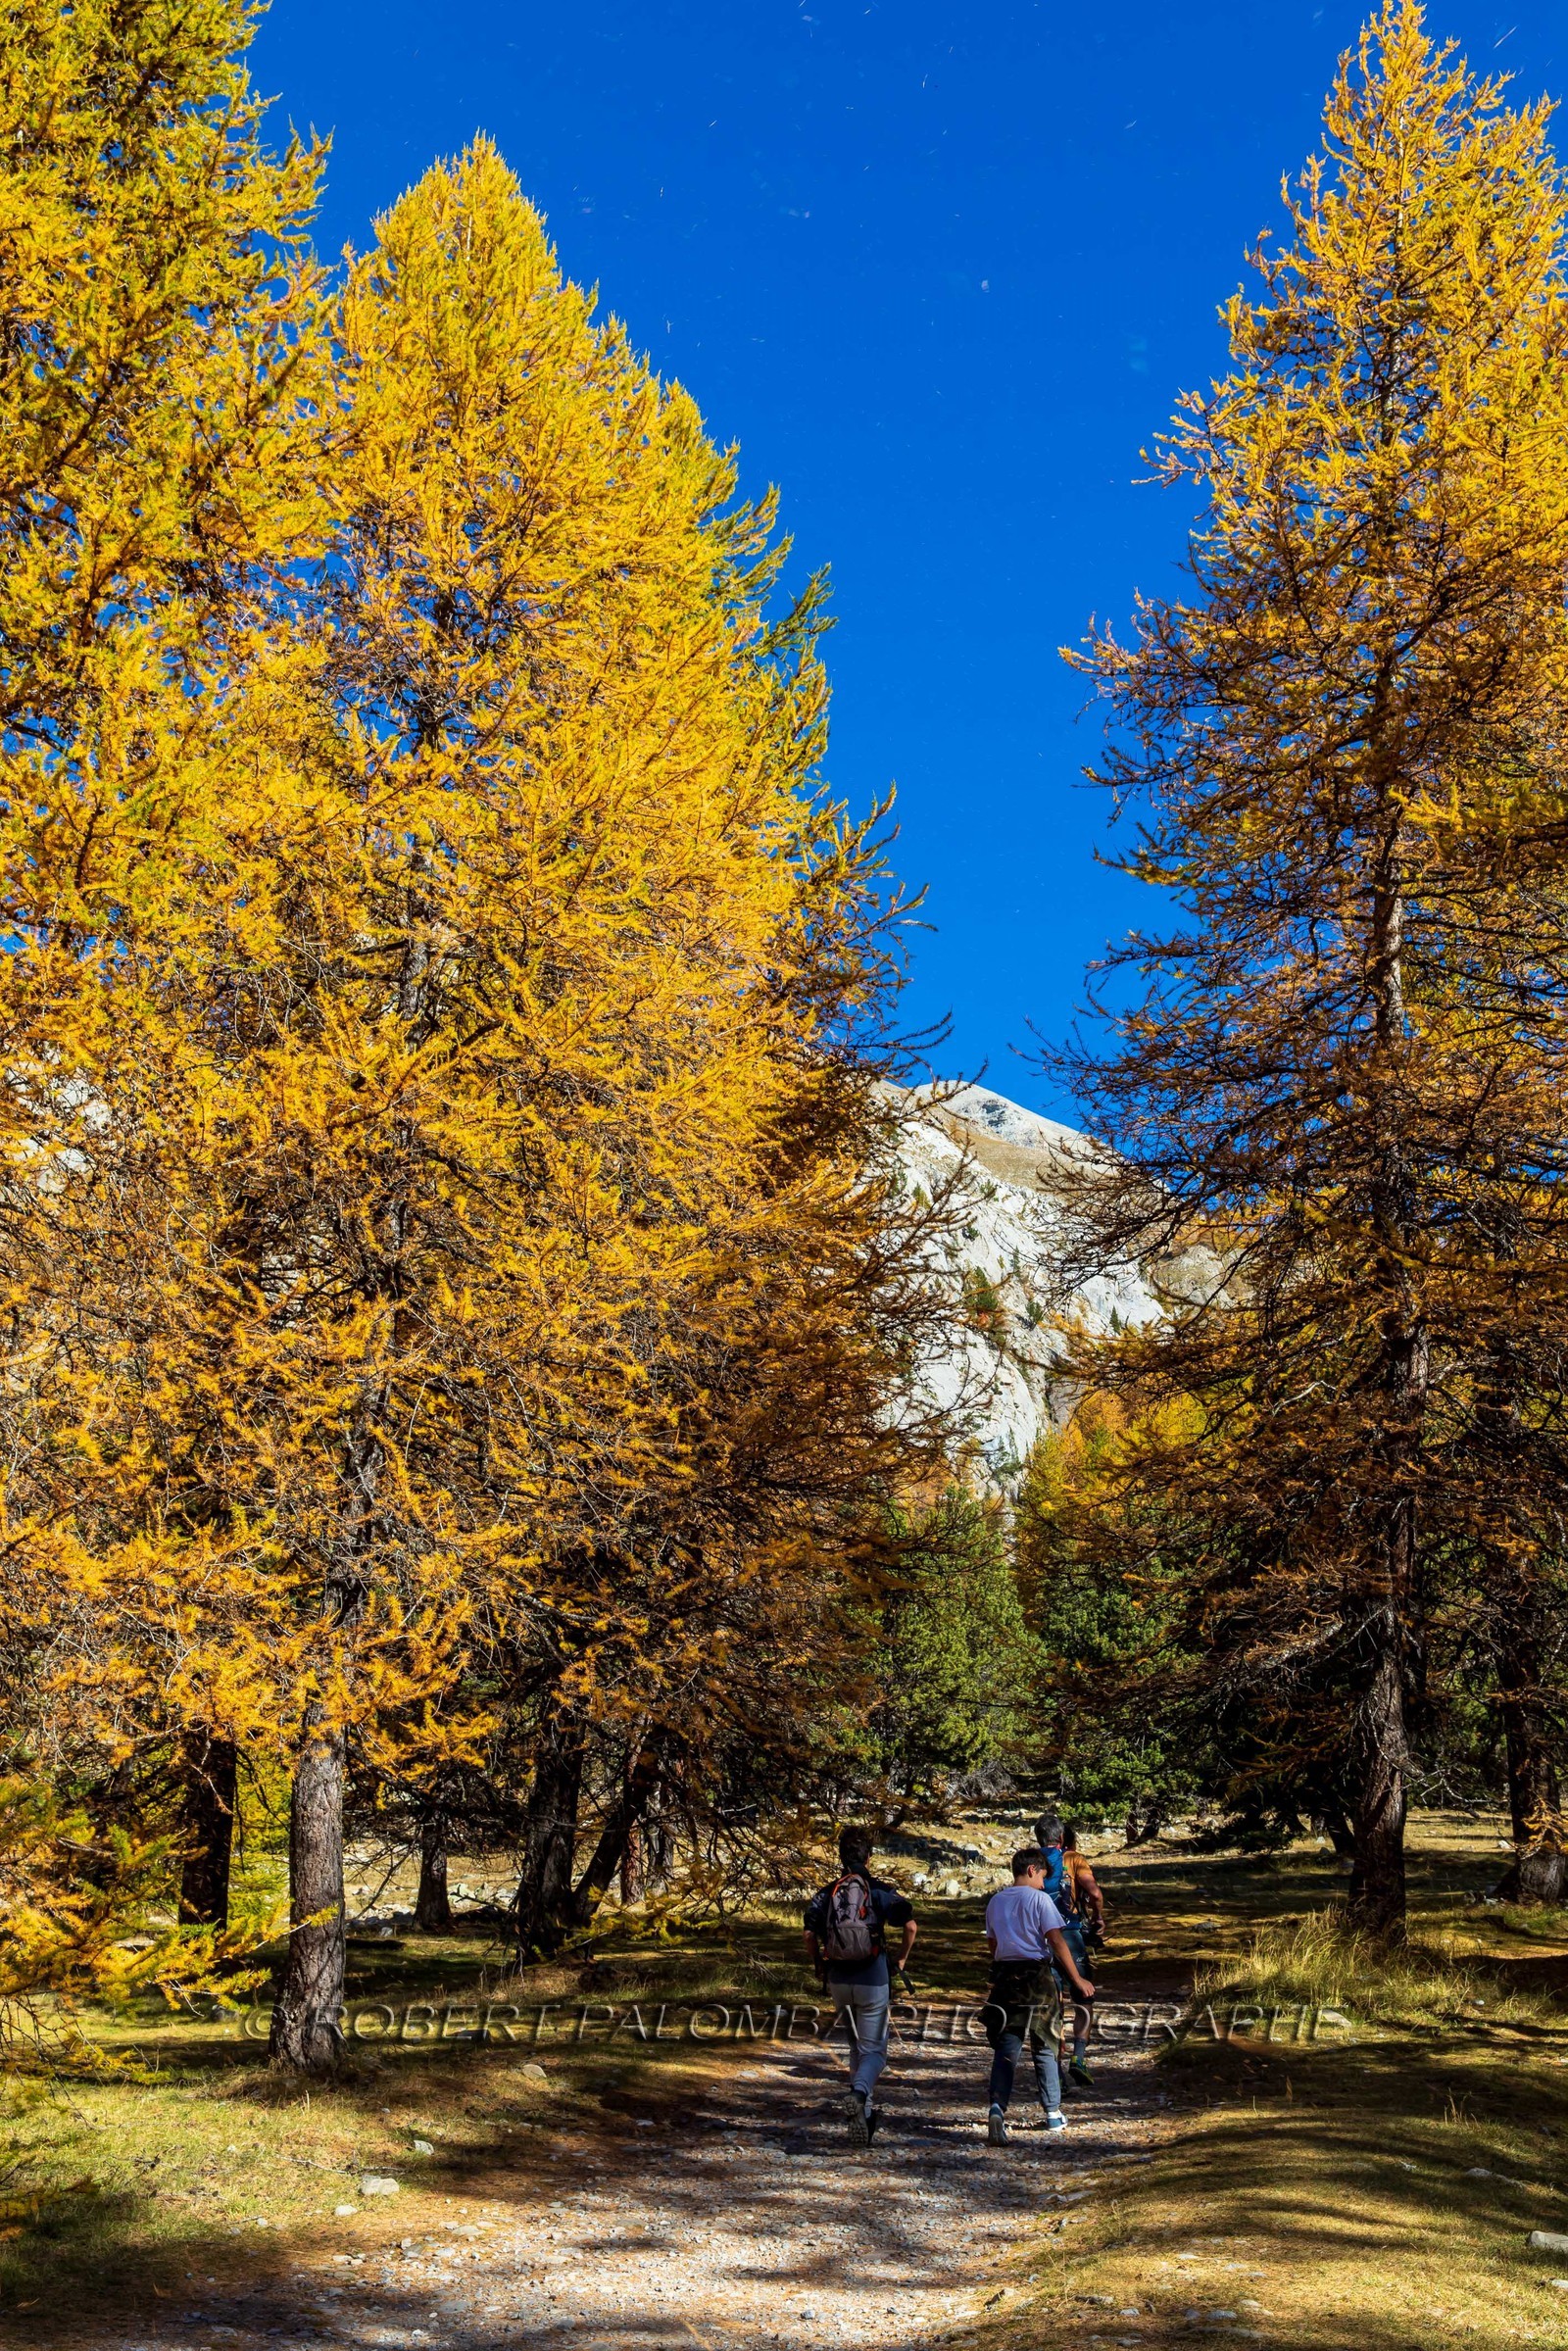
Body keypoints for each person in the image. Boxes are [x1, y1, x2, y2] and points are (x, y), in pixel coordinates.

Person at [803, 1826, 917, 2146]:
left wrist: (819, 1965)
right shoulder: (879, 1890)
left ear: (840, 1857)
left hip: (838, 1979)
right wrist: (902, 1959)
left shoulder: (826, 1893)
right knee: (876, 2052)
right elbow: (910, 1925)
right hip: (872, 1978)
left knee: (856, 2047)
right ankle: (859, 2093)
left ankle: (864, 2117)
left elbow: (809, 1935)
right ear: (869, 1856)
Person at [982, 1845, 1096, 2146]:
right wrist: (1077, 1979)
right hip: (1037, 1977)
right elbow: (1056, 1941)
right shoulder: (1040, 1900)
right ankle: (1053, 2113)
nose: (1045, 1884)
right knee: (1045, 2041)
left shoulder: (995, 1902)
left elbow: (993, 1945)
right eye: (1043, 1876)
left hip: (1005, 1978)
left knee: (1007, 2045)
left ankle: (997, 2108)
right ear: (1032, 1869)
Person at [1034, 1812, 1102, 2088]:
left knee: (1054, 2004)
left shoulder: (1030, 1861)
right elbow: (1094, 1893)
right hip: (1070, 1933)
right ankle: (1080, 2057)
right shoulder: (1073, 1859)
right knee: (1083, 1996)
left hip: (1039, 1939)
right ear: (1061, 1838)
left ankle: (1057, 2071)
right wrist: (1098, 1917)